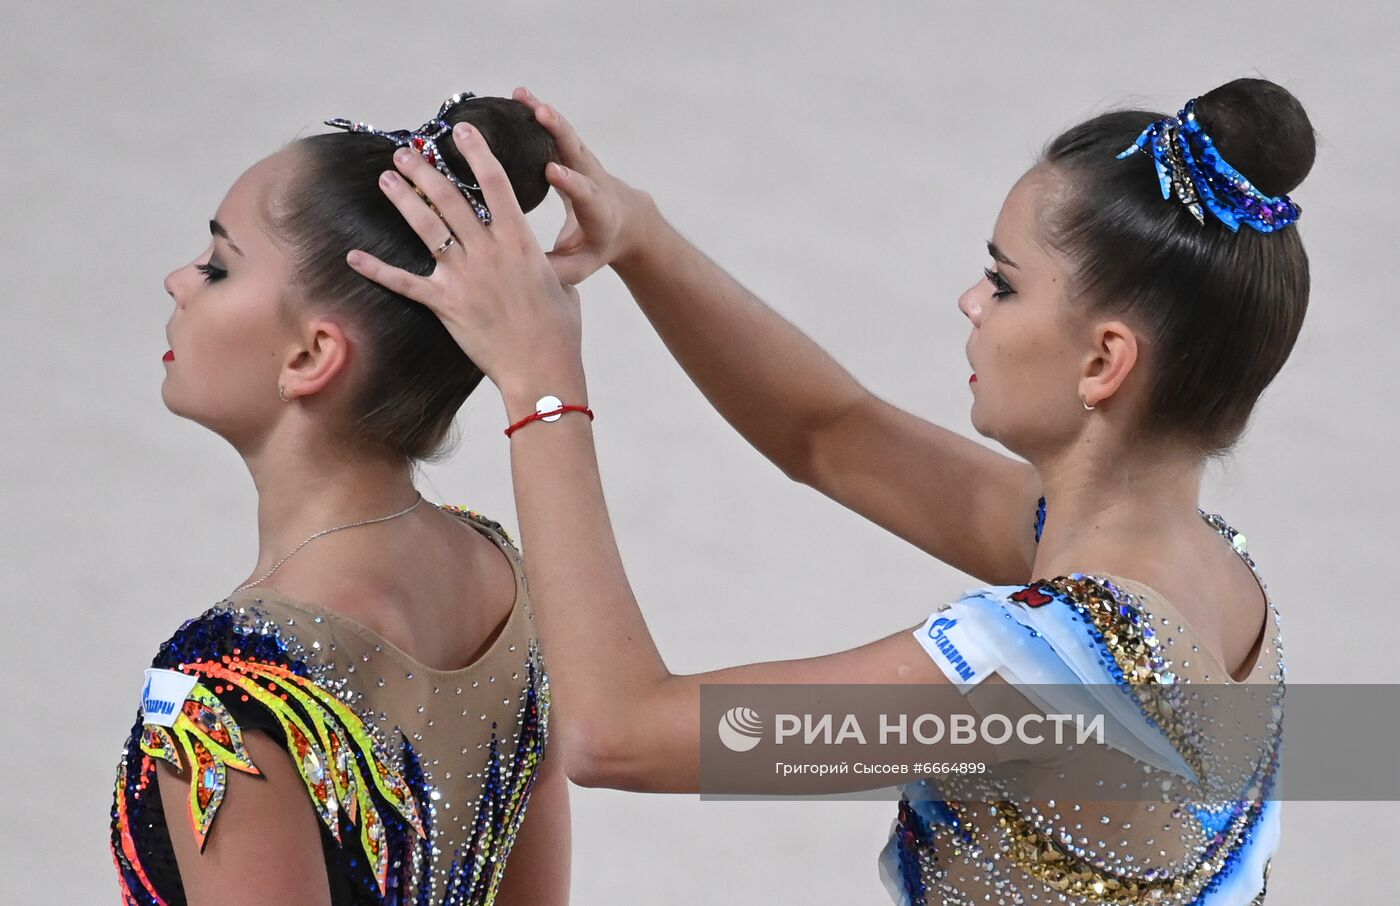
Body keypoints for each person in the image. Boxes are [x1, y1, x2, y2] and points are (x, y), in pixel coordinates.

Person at [349, 76, 1309, 903]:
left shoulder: (1041, 674)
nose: (972, 303)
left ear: (1104, 361)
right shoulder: (1205, 575)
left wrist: (539, 377)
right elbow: (831, 433)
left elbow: (616, 733)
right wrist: (641, 239)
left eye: (1003, 282)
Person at [109, 93, 570, 906]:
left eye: (218, 265)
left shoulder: (216, 682)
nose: (177, 279)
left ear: (313, 354)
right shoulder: (502, 572)